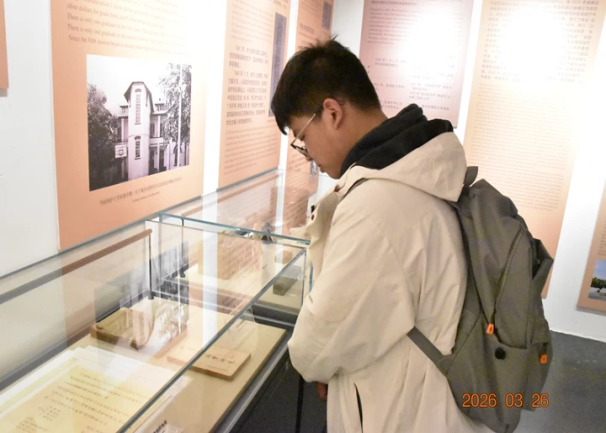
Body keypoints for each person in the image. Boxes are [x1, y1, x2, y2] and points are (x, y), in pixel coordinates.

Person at [271, 39, 491, 432]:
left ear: (332, 112)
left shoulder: (376, 206)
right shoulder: (415, 171)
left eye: (302, 139)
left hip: (405, 413)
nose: (308, 155)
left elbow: (314, 346)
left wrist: (318, 363)